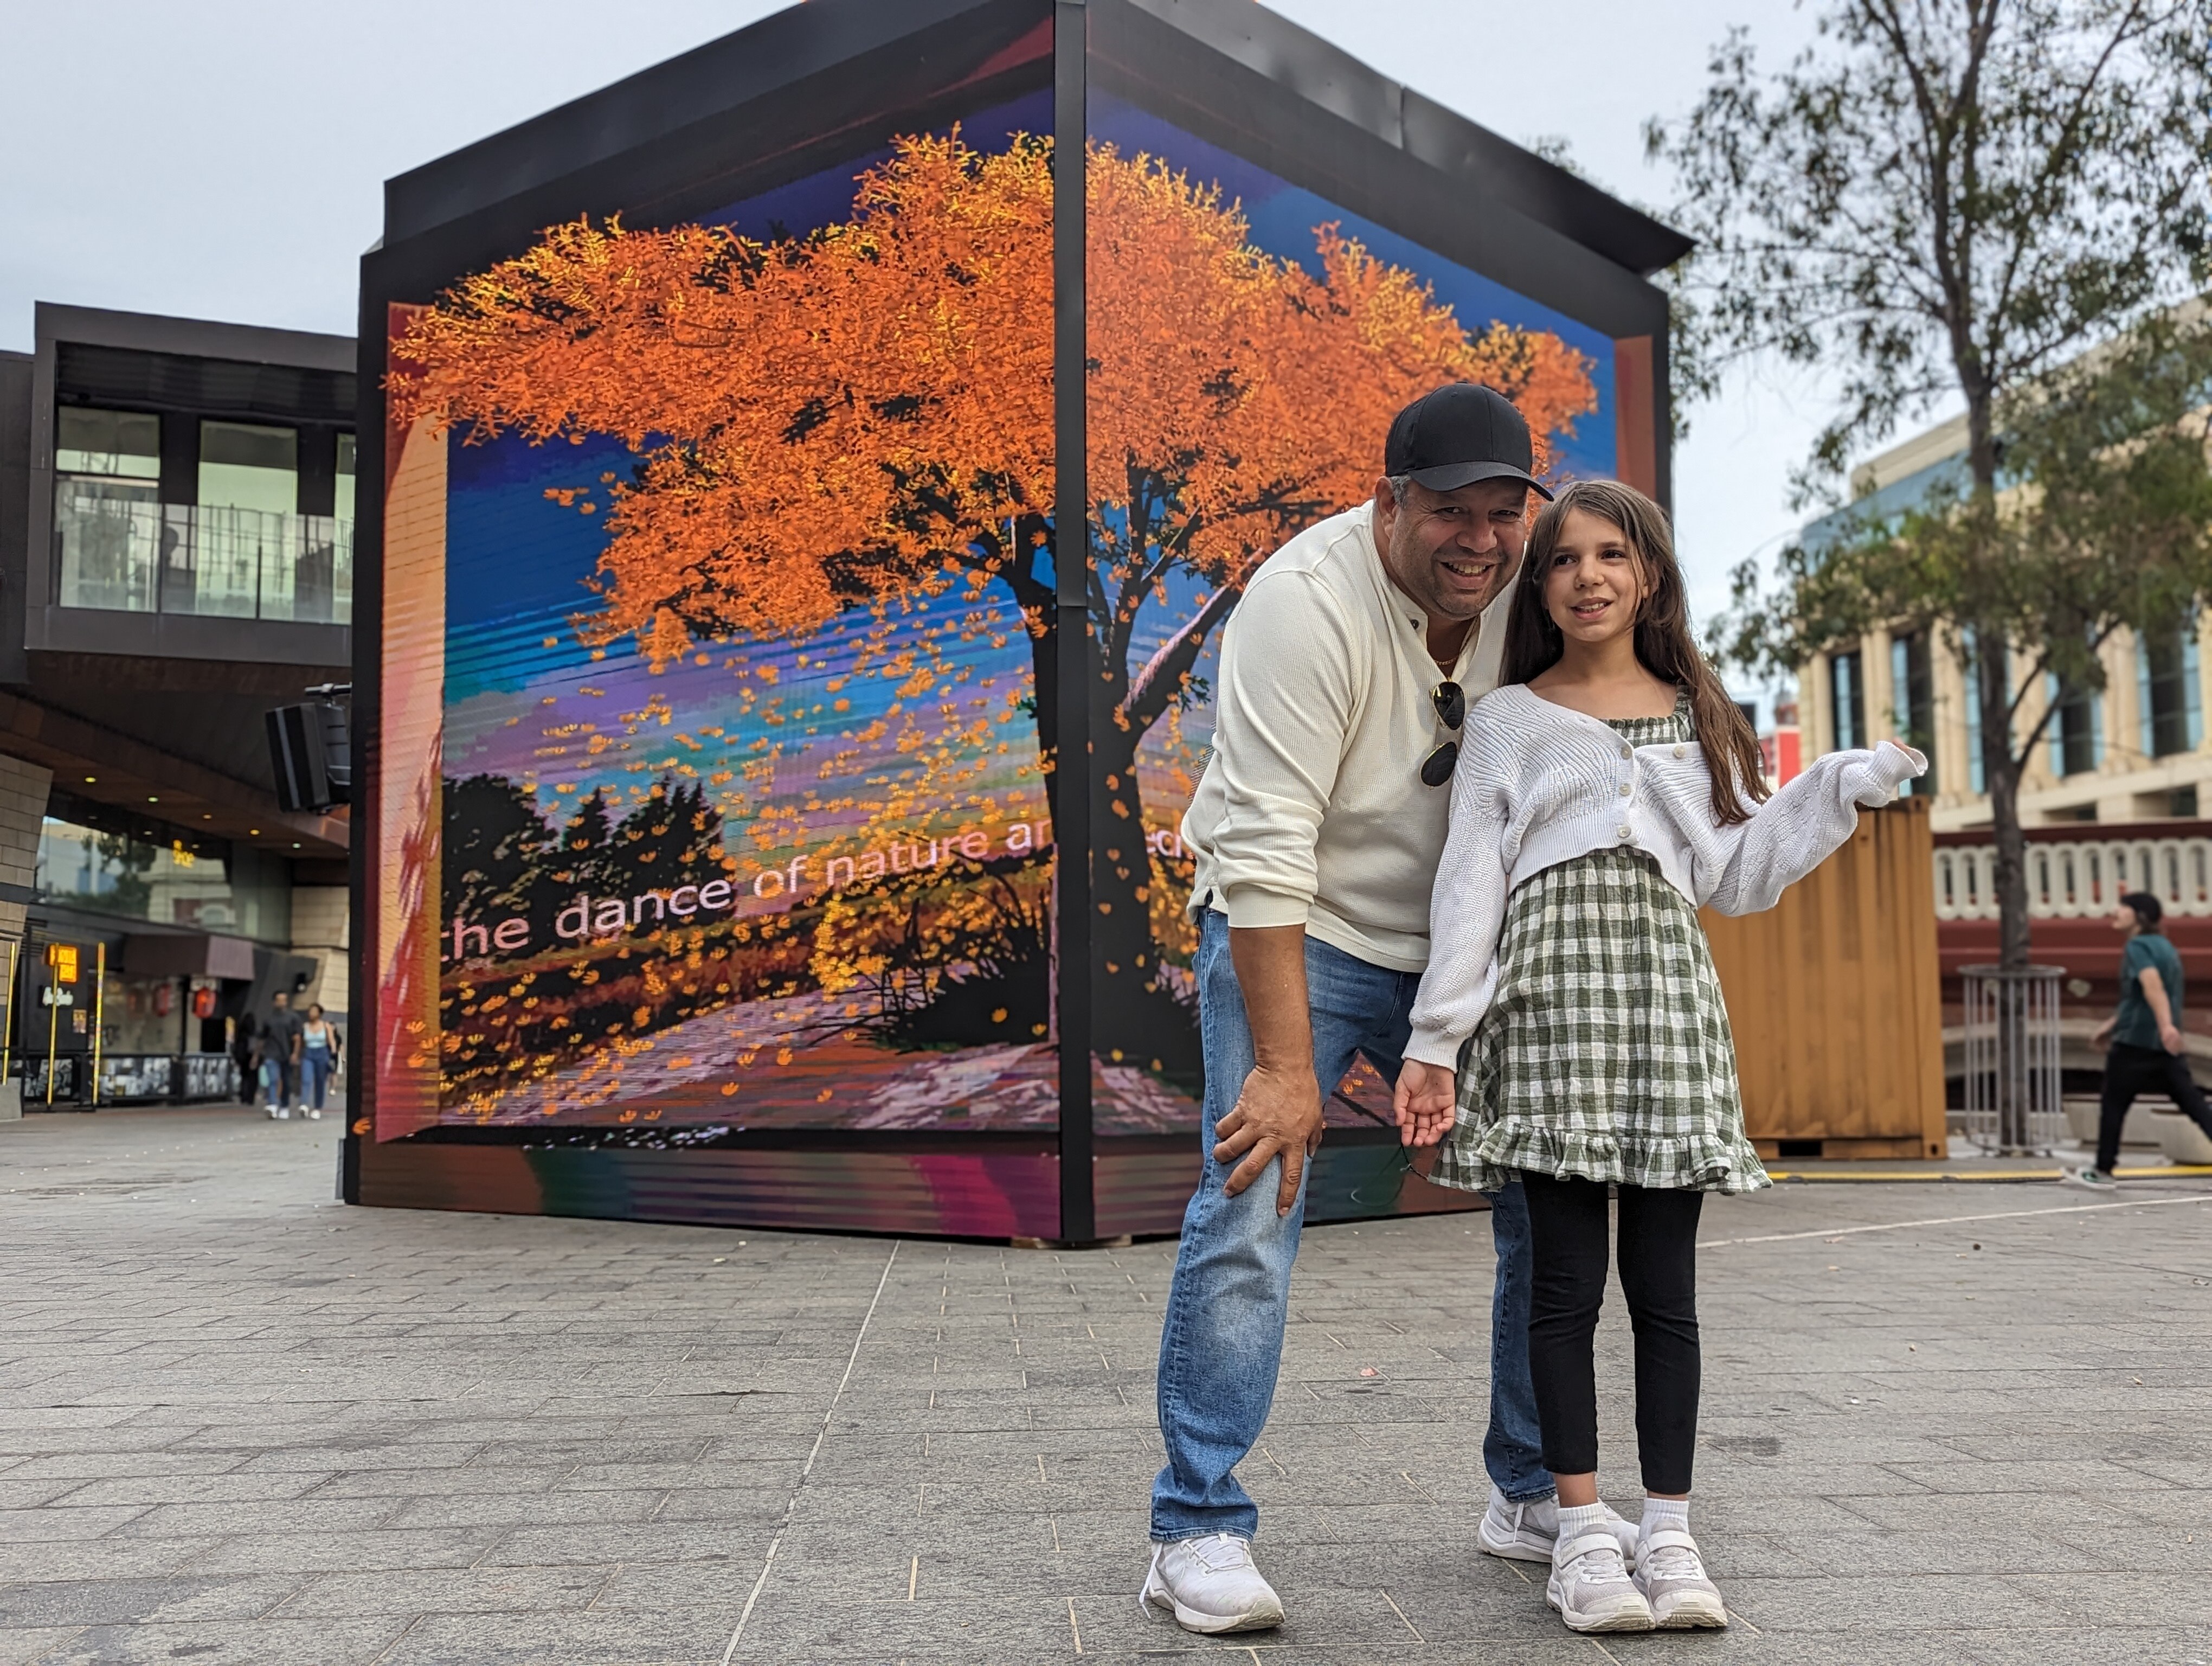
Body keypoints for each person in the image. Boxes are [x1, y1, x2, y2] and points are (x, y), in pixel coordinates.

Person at [1140, 383, 1636, 1637]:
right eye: (1445, 513)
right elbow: (1259, 849)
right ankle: (1193, 1524)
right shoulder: (1299, 607)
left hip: (1463, 941)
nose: (1475, 540)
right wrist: (1286, 1065)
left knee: (1551, 1192)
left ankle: (1529, 1489)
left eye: (1498, 514)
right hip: (1300, 924)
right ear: (1387, 503)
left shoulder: (1527, 594)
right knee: (1254, 1187)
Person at [1394, 480, 1923, 1634]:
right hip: (1546, 1018)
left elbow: (1735, 874)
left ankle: (1671, 1533)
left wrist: (1836, 787)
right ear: (1541, 587)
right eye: (1565, 559)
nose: (1588, 577)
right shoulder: (1508, 721)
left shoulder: (1697, 712)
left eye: (1611, 556)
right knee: (1564, 1286)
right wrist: (1436, 1041)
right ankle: (1581, 1534)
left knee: (1667, 1296)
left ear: (1649, 576)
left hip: (1667, 1019)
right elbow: (1470, 886)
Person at [2063, 891, 2212, 1190]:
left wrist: (2165, 1025)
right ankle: (2103, 1168)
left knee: (2114, 1105)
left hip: (2136, 1044)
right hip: (2162, 1047)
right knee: (2196, 1107)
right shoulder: (2165, 947)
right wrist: (2111, 1025)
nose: (2116, 912)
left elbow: (2151, 985)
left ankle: (2103, 1171)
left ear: (2139, 916)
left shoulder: (2138, 947)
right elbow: (2138, 998)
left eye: (2123, 907)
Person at [263, 991, 304, 1119]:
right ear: (274, 1002)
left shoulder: (293, 1018)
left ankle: (284, 1106)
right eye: (279, 1000)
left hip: (287, 1053)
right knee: (273, 1079)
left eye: (284, 1000)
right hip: (272, 1053)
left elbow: (297, 1038)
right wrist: (257, 1055)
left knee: (287, 1082)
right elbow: (263, 1037)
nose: (281, 1002)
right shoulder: (269, 1019)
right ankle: (273, 1105)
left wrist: (295, 1054)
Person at [298, 1003, 340, 1121]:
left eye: (315, 1011)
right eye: (310, 1011)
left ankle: (317, 1108)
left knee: (320, 1082)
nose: (312, 1013)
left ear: (320, 1013)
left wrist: (333, 1055)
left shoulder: (326, 1026)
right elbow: (301, 1042)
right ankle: (304, 1104)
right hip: (308, 1053)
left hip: (322, 1054)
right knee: (306, 1079)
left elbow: (332, 1041)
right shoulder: (305, 1026)